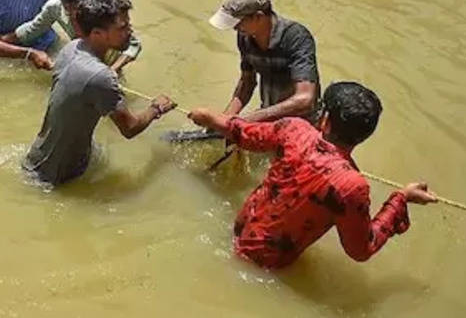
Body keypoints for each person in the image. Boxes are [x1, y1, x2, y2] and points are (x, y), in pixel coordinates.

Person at [187, 82, 437, 269]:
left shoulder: (293, 129)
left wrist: (211, 118)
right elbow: (361, 249)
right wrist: (401, 199)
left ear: (325, 119)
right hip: (268, 265)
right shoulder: (351, 185)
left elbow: (247, 134)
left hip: (239, 232)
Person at [22, 0, 175, 186]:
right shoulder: (100, 77)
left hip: (38, 158)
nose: (129, 31)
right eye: (122, 27)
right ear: (97, 34)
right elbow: (130, 128)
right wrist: (157, 108)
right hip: (58, 177)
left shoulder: (72, 48)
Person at [208, 0, 320, 122]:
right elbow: (247, 82)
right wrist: (225, 119)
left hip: (302, 124)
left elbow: (305, 99)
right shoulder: (245, 37)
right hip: (268, 118)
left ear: (258, 17)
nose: (234, 28)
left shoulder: (296, 38)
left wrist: (251, 118)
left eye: (238, 22)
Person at [1, 0, 142, 73]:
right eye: (69, 9)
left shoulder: (103, 12)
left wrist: (112, 71)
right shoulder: (55, 7)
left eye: (78, 8)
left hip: (110, 65)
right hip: (85, 62)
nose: (75, 15)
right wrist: (0, 41)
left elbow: (134, 45)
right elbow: (32, 29)